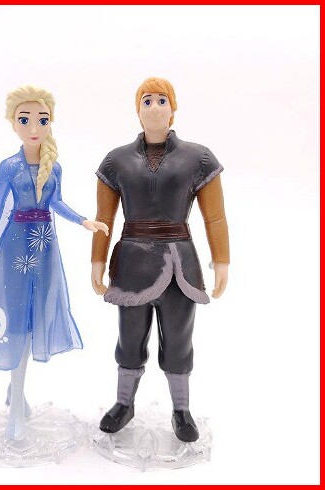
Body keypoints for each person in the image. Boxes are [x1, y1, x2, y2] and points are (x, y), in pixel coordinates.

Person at [0, 85, 108, 440]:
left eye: (42, 119)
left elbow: (56, 203)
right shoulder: (8, 167)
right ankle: (15, 409)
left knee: (34, 317)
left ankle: (16, 389)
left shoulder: (54, 167)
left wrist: (83, 221)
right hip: (13, 248)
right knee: (14, 318)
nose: (34, 128)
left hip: (45, 248)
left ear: (50, 122)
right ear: (13, 123)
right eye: (24, 120)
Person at [91, 77, 229, 442]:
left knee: (179, 341)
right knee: (129, 339)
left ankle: (181, 409)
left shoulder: (198, 158)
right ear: (137, 110)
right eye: (147, 101)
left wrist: (222, 261)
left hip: (180, 265)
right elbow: (104, 219)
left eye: (161, 100)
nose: (154, 107)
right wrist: (96, 262)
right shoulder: (116, 160)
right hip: (132, 264)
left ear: (173, 108)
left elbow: (215, 217)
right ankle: (124, 403)